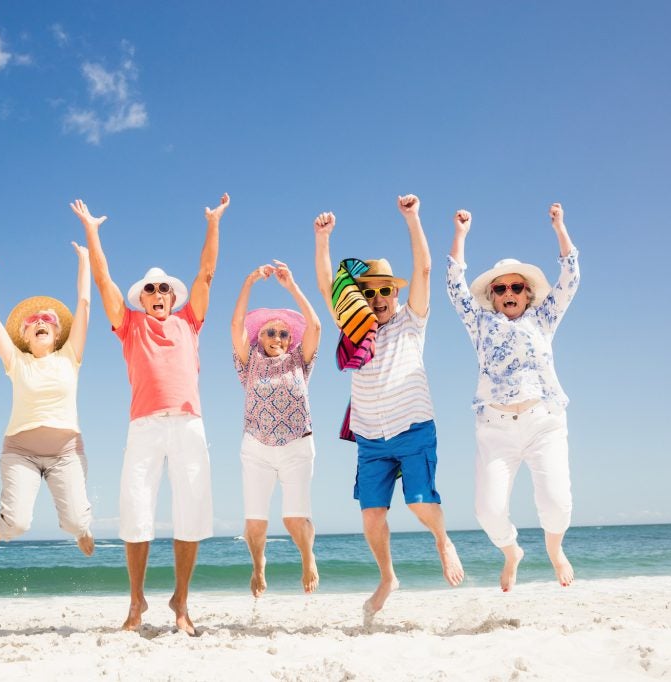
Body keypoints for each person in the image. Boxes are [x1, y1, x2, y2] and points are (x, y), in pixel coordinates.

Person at [70, 194, 229, 635]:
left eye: (163, 289)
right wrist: (93, 232)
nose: (157, 294)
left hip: (188, 422)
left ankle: (181, 603)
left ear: (171, 297)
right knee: (135, 512)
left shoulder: (189, 321)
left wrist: (213, 222)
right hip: (143, 425)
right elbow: (103, 281)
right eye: (150, 290)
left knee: (192, 511)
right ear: (140, 299)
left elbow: (207, 273)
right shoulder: (129, 325)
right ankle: (136, 603)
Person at [314, 194, 465, 624]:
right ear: (360, 296)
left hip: (413, 428)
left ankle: (442, 539)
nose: (378, 298)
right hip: (370, 438)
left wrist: (413, 218)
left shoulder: (411, 321)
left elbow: (424, 268)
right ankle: (388, 577)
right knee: (371, 516)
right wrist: (323, 240)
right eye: (369, 292)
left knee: (419, 503)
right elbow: (327, 285)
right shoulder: (354, 328)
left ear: (393, 295)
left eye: (384, 291)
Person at [446, 202, 579, 591]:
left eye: (516, 287)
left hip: (544, 423)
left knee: (556, 504)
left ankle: (555, 551)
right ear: (492, 295)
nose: (508, 292)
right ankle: (511, 552)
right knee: (487, 512)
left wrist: (559, 226)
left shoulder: (544, 318)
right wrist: (461, 235)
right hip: (496, 430)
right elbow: (454, 286)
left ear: (527, 293)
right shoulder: (481, 323)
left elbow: (570, 275)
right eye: (500, 288)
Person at [0, 243, 95, 569]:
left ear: (56, 334)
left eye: (48, 320)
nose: (40, 321)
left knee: (75, 523)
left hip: (66, 452)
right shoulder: (17, 362)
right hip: (20, 452)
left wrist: (85, 258)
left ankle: (81, 528)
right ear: (25, 337)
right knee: (17, 524)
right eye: (33, 321)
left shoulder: (71, 357)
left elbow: (84, 303)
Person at [231, 260, 321, 597]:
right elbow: (236, 323)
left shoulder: (300, 360)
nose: (278, 338)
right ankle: (258, 565)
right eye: (271, 332)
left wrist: (292, 285)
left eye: (284, 333)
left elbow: (315, 324)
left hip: (297, 446)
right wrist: (249, 281)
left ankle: (308, 558)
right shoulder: (249, 362)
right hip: (256, 448)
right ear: (259, 337)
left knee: (294, 518)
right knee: (255, 521)